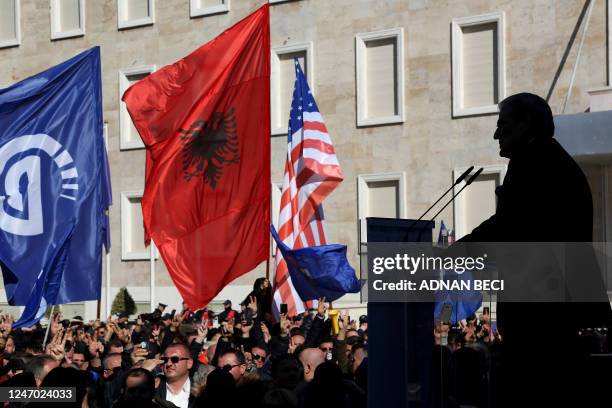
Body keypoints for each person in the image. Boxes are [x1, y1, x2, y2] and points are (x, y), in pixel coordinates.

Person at [457, 92, 612, 406]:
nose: (496, 133)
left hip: (543, 316)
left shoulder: (536, 163)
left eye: (503, 124)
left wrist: (456, 252)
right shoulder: (545, 159)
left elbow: (509, 227)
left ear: (526, 125)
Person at [156, 343, 194, 408]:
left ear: (189, 363)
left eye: (175, 359)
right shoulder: (153, 388)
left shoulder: (201, 391)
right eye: (165, 360)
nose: (168, 364)